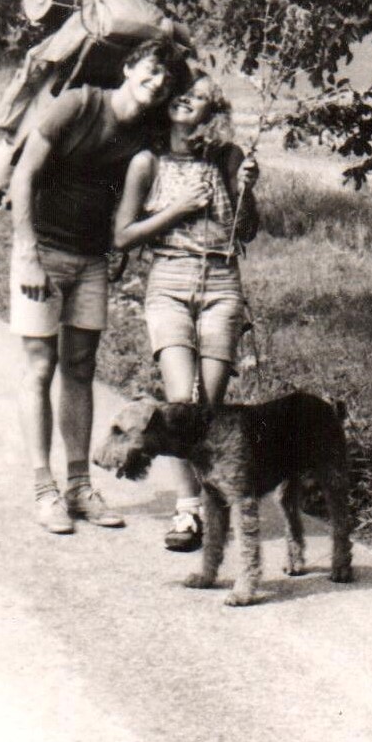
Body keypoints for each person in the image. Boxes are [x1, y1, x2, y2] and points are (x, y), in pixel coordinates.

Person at [10, 38, 192, 534]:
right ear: (129, 67)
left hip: (91, 260)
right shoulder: (80, 104)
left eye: (167, 79)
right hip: (43, 253)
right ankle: (44, 490)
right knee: (40, 367)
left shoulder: (147, 130)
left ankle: (78, 486)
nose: (158, 83)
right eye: (151, 70)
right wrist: (27, 253)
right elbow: (24, 175)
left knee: (80, 368)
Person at [112, 68, 260, 551]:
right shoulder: (147, 162)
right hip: (169, 281)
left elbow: (247, 230)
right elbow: (123, 235)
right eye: (180, 94)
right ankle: (187, 511)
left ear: (212, 110)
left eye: (198, 96)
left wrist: (247, 190)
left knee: (209, 409)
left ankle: (215, 509)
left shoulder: (227, 157)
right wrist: (176, 209)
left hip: (221, 280)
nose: (185, 100)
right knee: (179, 404)